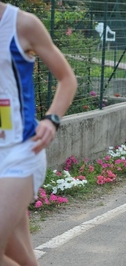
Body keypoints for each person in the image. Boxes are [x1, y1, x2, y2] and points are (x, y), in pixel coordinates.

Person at [0, 2, 77, 265]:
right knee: (18, 257)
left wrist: (52, 119)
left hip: (20, 152)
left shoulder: (22, 24)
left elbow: (67, 78)